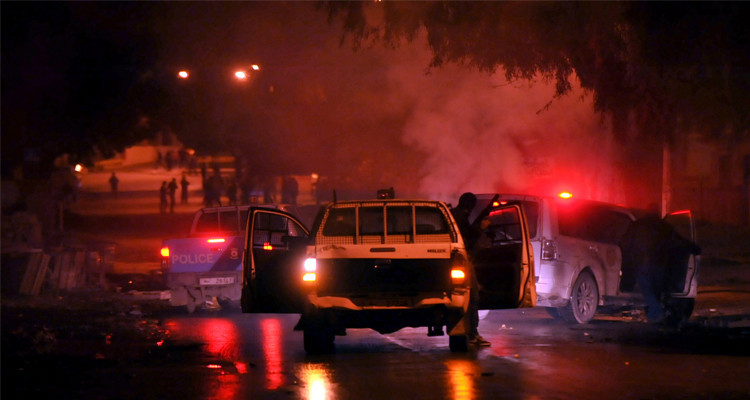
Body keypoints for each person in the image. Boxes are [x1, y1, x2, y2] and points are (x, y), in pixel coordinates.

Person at [619, 203, 701, 323]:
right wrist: (694, 248)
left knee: (648, 290)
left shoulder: (637, 225)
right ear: (658, 213)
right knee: (655, 290)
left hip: (641, 263)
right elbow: (678, 240)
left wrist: (622, 255)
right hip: (660, 263)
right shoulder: (663, 226)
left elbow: (625, 242)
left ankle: (656, 314)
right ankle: (655, 316)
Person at [450, 192, 491, 347]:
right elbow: (468, 238)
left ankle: (469, 332)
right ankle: (473, 333)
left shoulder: (453, 214)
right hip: (463, 261)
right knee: (473, 297)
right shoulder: (461, 217)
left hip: (455, 262)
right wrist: (481, 228)